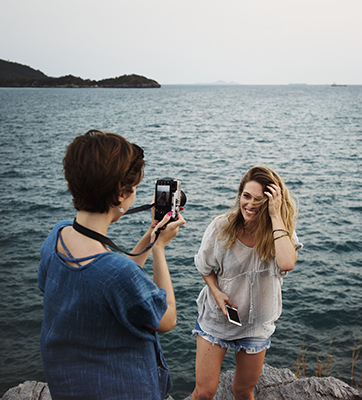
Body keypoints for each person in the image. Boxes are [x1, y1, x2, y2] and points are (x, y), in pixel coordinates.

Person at [38, 130, 185, 400]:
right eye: (135, 186)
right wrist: (160, 249)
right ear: (120, 194)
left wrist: (151, 235)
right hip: (122, 390)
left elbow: (109, 278)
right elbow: (166, 319)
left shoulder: (56, 237)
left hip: (69, 386)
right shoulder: (115, 272)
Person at [190, 166, 302, 400]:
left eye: (259, 200)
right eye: (246, 196)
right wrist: (216, 292)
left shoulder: (280, 232)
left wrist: (275, 216)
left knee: (243, 391)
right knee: (204, 392)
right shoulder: (221, 227)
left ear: (272, 202)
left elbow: (287, 262)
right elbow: (205, 267)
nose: (250, 204)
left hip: (255, 325)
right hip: (218, 319)